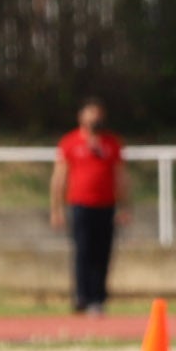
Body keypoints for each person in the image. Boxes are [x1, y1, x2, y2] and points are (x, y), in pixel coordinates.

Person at [50, 97, 129, 314]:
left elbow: (121, 177)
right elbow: (59, 178)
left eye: (98, 114)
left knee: (102, 253)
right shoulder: (70, 142)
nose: (95, 119)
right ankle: (81, 296)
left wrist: (124, 207)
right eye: (91, 114)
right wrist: (56, 209)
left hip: (106, 206)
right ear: (81, 117)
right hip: (80, 206)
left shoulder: (112, 143)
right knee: (82, 251)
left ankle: (98, 298)